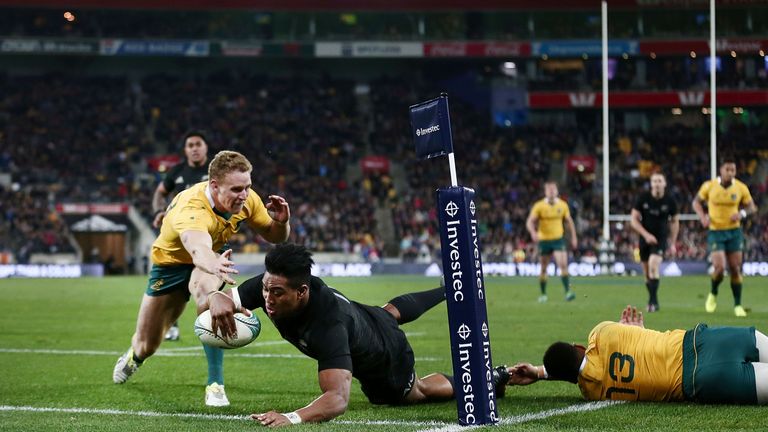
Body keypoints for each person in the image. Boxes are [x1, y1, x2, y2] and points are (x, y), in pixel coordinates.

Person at [204, 243, 509, 426]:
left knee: (417, 392)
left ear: (302, 292)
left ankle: (487, 379)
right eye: (265, 289)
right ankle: (448, 289)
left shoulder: (327, 326)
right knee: (388, 313)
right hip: (368, 316)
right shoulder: (274, 282)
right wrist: (218, 297)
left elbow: (337, 399)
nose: (267, 299)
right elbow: (220, 301)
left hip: (386, 356)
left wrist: (292, 417)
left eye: (277, 293)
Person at [113, 150, 291, 409]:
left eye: (248, 187)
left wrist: (283, 223)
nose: (244, 195)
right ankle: (134, 357)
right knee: (147, 344)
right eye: (236, 189)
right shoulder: (193, 209)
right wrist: (214, 263)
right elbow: (197, 249)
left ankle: (215, 384)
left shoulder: (247, 199)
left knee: (210, 298)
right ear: (214, 186)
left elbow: (275, 236)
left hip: (210, 262)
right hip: (171, 265)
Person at [504, 305, 768, 404]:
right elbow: (582, 360)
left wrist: (540, 374)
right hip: (703, 340)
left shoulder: (592, 392)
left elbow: (577, 371)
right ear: (579, 347)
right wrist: (637, 333)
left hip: (703, 380)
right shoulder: (601, 333)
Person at [153, 131, 211, 341]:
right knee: (174, 288)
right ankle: (172, 326)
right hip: (180, 239)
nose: (195, 148)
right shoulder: (176, 171)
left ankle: (213, 326)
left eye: (198, 144)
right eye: (190, 145)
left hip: (208, 238)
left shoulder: (215, 170)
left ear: (205, 147)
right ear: (186, 150)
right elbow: (160, 192)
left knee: (205, 286)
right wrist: (159, 211)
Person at [692, 158, 756, 317]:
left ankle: (738, 305)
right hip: (716, 232)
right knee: (719, 269)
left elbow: (751, 207)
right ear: (721, 170)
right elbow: (696, 203)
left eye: (733, 170)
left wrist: (741, 213)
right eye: (727, 169)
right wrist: (702, 217)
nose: (730, 173)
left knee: (735, 268)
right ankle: (713, 294)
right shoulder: (709, 186)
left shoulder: (741, 187)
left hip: (734, 232)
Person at [630, 172, 679, 312]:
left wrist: (673, 242)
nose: (657, 183)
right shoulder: (643, 198)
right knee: (646, 273)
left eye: (659, 180)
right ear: (651, 184)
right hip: (645, 239)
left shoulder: (670, 201)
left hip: (660, 239)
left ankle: (652, 302)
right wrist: (645, 235)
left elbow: (675, 222)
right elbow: (633, 220)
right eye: (655, 181)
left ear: (664, 183)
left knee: (653, 265)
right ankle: (653, 300)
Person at [526, 181, 578, 303]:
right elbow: (529, 221)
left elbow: (569, 222)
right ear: (545, 192)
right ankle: (543, 294)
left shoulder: (563, 205)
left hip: (558, 239)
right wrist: (533, 232)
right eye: (549, 189)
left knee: (563, 265)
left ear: (557, 191)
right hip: (544, 240)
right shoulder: (539, 206)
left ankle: (568, 292)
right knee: (544, 268)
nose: (551, 191)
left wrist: (574, 237)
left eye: (553, 189)